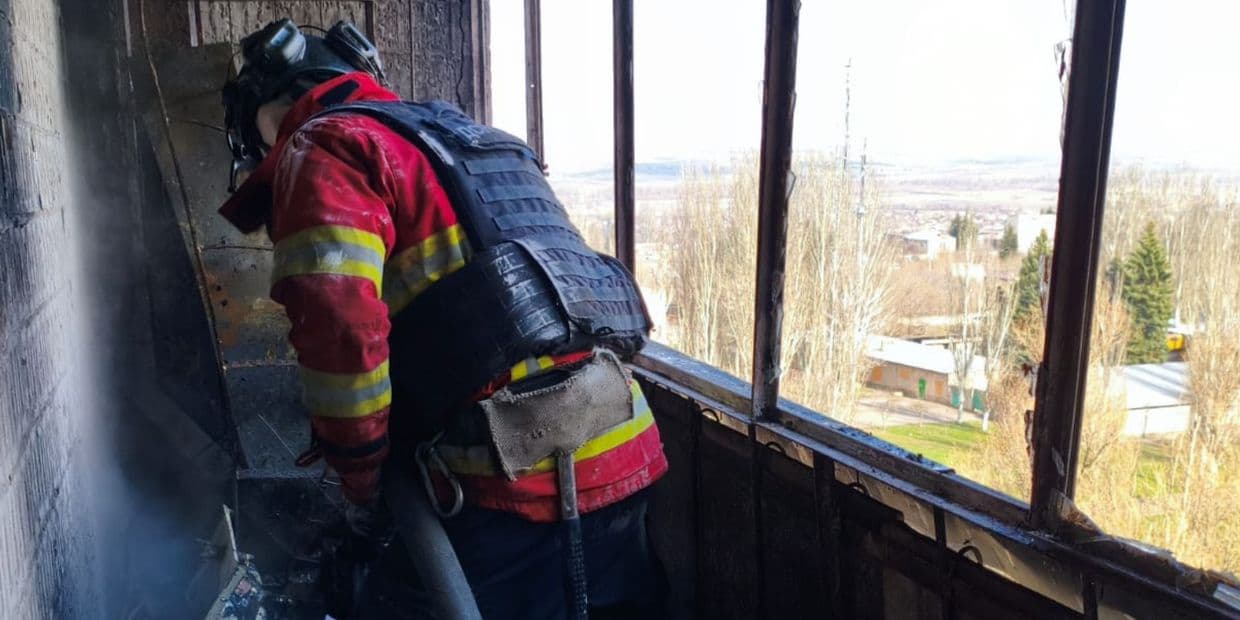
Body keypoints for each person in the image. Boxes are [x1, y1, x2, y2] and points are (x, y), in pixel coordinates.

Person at [218, 18, 667, 619]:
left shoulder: (324, 145)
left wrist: (362, 483)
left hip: (508, 484)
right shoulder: (483, 142)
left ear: (264, 112)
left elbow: (340, 333)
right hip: (625, 449)